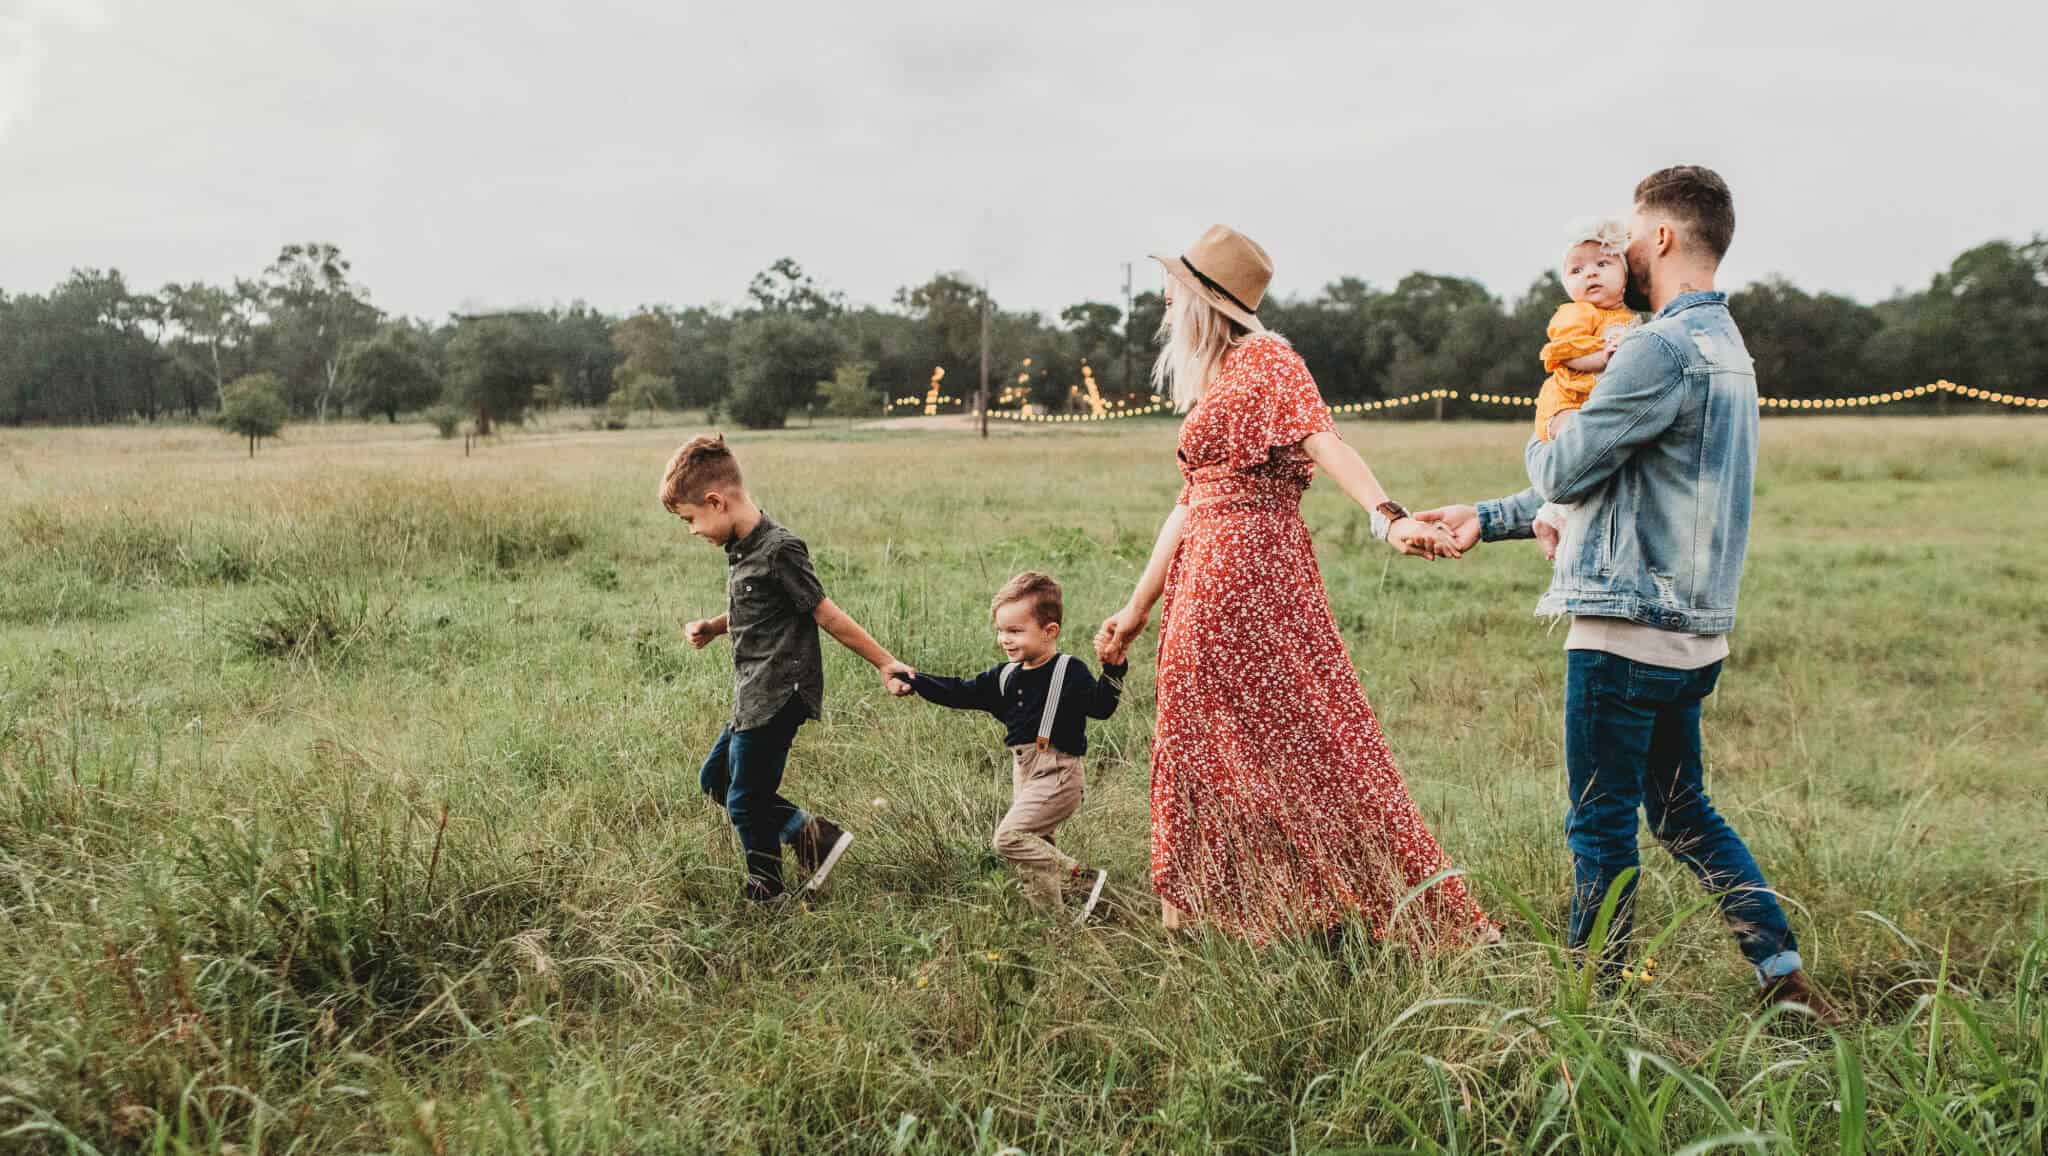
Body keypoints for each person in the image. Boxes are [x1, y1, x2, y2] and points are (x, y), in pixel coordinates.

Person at [1416, 166, 1846, 1022]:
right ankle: (1782, 977)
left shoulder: (1655, 347)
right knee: (1684, 811)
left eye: (1630, 235)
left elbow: (1569, 466)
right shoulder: (1728, 348)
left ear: (1661, 239)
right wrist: (1490, 516)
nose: (1618, 252)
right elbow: (1625, 480)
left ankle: (1591, 1003)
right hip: (1693, 634)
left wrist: (1548, 429)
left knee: (1599, 823)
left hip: (1623, 630)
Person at [1094, 223, 1494, 945]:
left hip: (1248, 571)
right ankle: (1220, 912)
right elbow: (1188, 504)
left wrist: (1388, 517)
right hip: (1205, 571)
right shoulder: (1218, 377)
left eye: (1173, 288)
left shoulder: (1269, 360)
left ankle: (1366, 904)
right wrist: (1134, 609)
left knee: (1305, 737)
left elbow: (1324, 440)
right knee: (1201, 740)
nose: (1161, 299)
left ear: (1204, 299)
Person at [661, 434, 912, 903]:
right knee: (716, 780)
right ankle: (813, 837)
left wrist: (886, 663)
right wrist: (715, 627)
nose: (692, 531)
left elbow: (826, 614)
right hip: (752, 692)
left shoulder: (780, 549)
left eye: (690, 519)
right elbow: (754, 611)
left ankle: (767, 890)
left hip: (779, 693)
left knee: (744, 799)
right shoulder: (741, 548)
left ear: (716, 502)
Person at [898, 571, 1123, 921]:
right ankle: (1053, 926)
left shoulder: (1069, 671)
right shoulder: (1005, 676)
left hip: (1059, 773)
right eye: (1001, 630)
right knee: (1035, 855)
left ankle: (1081, 880)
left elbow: (1102, 707)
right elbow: (960, 691)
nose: (1005, 639)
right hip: (1025, 772)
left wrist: (1114, 669)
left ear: (1050, 632)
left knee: (1009, 838)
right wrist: (916, 681)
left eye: (1016, 631)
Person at [1530, 217, 1640, 571]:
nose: (1590, 274)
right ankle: (1555, 517)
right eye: (1577, 270)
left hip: (1595, 401)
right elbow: (1565, 352)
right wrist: (1603, 357)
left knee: (1598, 462)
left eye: (1603, 264)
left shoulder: (1630, 318)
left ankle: (1551, 515)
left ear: (1625, 276)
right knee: (1583, 446)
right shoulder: (1575, 313)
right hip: (1567, 401)